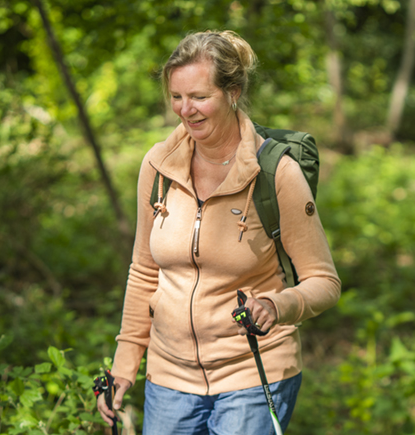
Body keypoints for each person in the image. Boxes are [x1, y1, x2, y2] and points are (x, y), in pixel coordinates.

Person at [97, 30, 341, 435]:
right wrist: (125, 366)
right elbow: (143, 272)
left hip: (252, 374)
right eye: (176, 97)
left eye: (199, 97)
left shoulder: (276, 173)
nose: (185, 110)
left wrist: (278, 305)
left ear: (233, 92)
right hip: (169, 380)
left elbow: (324, 281)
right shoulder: (158, 166)